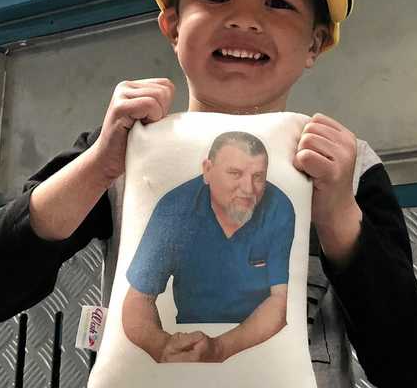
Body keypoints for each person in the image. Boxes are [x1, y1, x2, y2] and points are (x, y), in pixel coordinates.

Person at [0, 0, 417, 386]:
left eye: (279, 3)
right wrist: (98, 166)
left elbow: (406, 366)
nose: (245, 19)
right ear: (173, 24)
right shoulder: (124, 148)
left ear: (315, 42)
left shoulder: (349, 169)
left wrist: (338, 215)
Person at [123, 131, 295, 362]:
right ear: (207, 170)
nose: (248, 189)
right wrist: (162, 347)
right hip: (191, 340)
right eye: (235, 173)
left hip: (260, 337)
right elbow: (137, 300)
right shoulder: (174, 210)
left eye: (258, 176)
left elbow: (280, 302)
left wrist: (220, 349)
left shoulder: (279, 208)